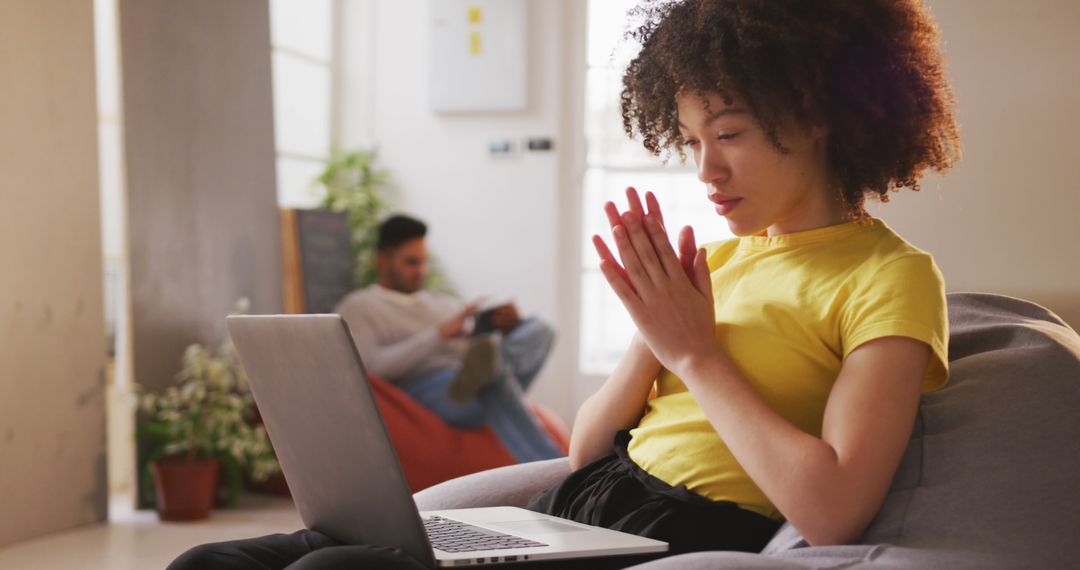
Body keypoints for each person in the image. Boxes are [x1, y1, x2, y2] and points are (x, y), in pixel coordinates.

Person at [170, 0, 960, 567]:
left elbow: (833, 511)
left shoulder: (890, 277)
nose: (706, 170)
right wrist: (652, 341)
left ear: (817, 115)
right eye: (690, 139)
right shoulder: (718, 262)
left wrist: (695, 356)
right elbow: (585, 449)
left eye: (729, 135)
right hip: (587, 509)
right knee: (208, 563)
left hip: (686, 531)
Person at [334, 214, 564, 464]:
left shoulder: (442, 303)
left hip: (468, 376)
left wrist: (503, 328)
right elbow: (373, 367)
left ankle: (491, 370)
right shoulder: (360, 306)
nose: (420, 271)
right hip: (429, 389)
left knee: (540, 328)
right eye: (411, 262)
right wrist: (438, 335)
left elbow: (472, 352)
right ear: (382, 259)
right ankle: (559, 467)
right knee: (491, 374)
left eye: (423, 262)